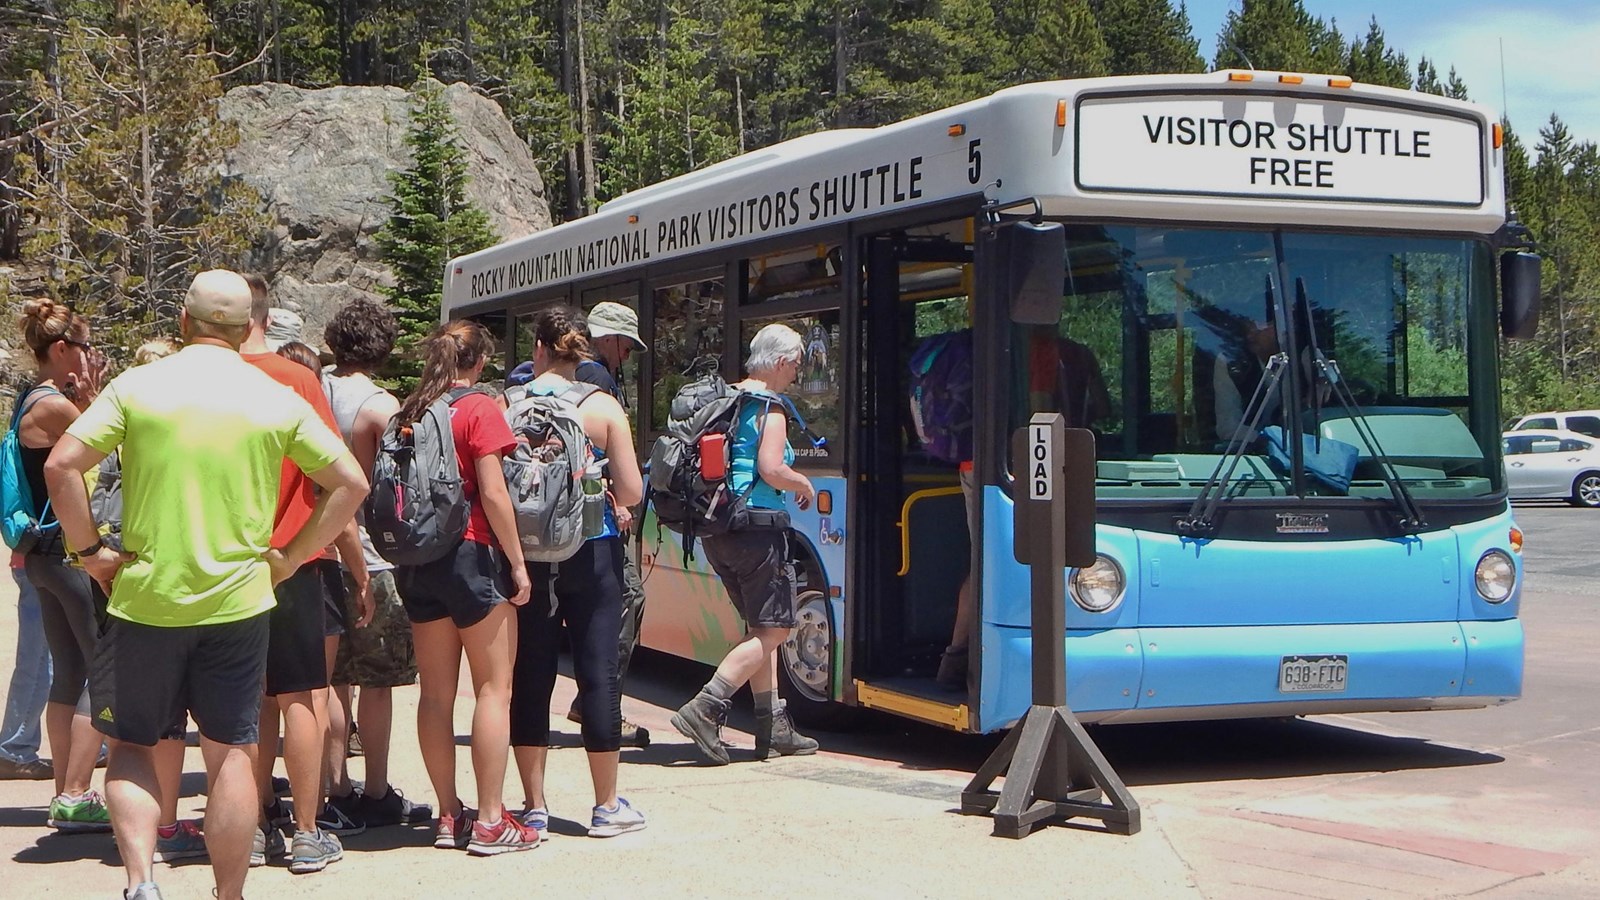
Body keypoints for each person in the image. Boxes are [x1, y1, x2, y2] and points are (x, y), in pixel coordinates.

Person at [44, 269, 366, 900]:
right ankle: (229, 893)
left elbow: (62, 466)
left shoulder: (139, 386)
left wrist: (90, 554)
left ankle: (142, 881)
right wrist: (291, 556)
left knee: (134, 746)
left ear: (184, 322)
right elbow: (350, 483)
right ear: (250, 327)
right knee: (231, 753)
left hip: (143, 597)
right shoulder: (274, 395)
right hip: (240, 601)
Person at [239, 279, 372, 874]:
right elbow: (335, 479)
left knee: (247, 700)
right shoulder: (297, 380)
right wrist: (350, 562)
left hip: (222, 560)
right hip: (293, 557)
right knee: (302, 697)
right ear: (264, 317)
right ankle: (307, 830)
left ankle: (256, 816)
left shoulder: (197, 375)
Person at [393, 320, 537, 855]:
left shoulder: (410, 410)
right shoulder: (479, 409)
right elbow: (494, 494)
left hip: (420, 560)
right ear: (478, 363)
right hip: (473, 554)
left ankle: (449, 815)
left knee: (435, 693)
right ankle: (492, 820)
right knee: (493, 688)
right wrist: (518, 564)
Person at [510, 307, 648, 839]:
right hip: (591, 552)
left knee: (531, 674)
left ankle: (534, 805)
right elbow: (633, 491)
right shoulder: (603, 407)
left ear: (538, 349)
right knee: (597, 672)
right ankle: (606, 805)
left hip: (525, 558)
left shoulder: (510, 403)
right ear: (580, 353)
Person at [670, 323, 820, 765]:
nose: (795, 372)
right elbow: (771, 467)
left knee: (760, 629)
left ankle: (771, 725)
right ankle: (705, 707)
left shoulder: (728, 399)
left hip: (719, 529)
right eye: (794, 363)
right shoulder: (769, 407)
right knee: (776, 629)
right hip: (757, 528)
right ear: (777, 362)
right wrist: (801, 482)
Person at [91, 336, 208, 865]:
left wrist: (94, 554)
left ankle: (137, 833)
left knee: (128, 717)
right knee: (170, 719)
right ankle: (162, 828)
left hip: (121, 570)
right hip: (173, 576)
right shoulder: (185, 428)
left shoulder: (118, 424)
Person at [937, 333, 1109, 690]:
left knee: (985, 561)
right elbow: (1044, 417)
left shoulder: (1012, 346)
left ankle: (957, 657)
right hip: (1017, 466)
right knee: (993, 561)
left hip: (984, 462)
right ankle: (959, 659)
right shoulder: (1054, 351)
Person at [319, 299, 430, 829]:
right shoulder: (379, 406)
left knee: (332, 679)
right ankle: (378, 789)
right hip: (371, 556)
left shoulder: (312, 388)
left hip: (318, 549)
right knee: (378, 680)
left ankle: (334, 785)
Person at [14, 299, 112, 832]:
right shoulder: (53, 405)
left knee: (69, 672)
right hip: (71, 553)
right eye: (85, 347)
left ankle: (64, 793)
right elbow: (108, 446)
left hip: (42, 556)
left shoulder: (29, 398)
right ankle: (75, 791)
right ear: (61, 350)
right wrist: (95, 396)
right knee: (104, 669)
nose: (91, 356)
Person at [568, 300, 650, 748]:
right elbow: (594, 454)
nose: (628, 356)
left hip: (570, 517)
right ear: (607, 339)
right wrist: (619, 498)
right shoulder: (597, 378)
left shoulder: (574, 374)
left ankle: (593, 698)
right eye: (627, 346)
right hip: (596, 515)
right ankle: (600, 702)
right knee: (627, 599)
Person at [0, 552, 53, 780]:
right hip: (44, 561)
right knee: (38, 660)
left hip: (36, 559)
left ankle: (90, 746)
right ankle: (15, 748)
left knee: (47, 659)